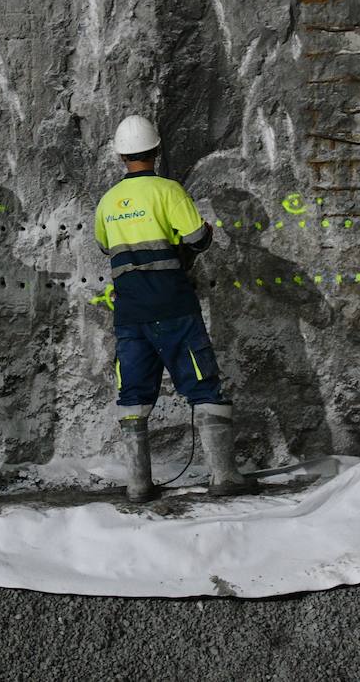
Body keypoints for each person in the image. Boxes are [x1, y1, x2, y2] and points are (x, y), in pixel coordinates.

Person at [94, 115, 254, 502]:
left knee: (133, 392)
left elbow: (105, 247)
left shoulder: (108, 202)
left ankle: (137, 484)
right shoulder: (168, 190)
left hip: (130, 313)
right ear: (156, 150)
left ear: (120, 155)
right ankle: (223, 477)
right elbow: (198, 238)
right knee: (203, 383)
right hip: (172, 304)